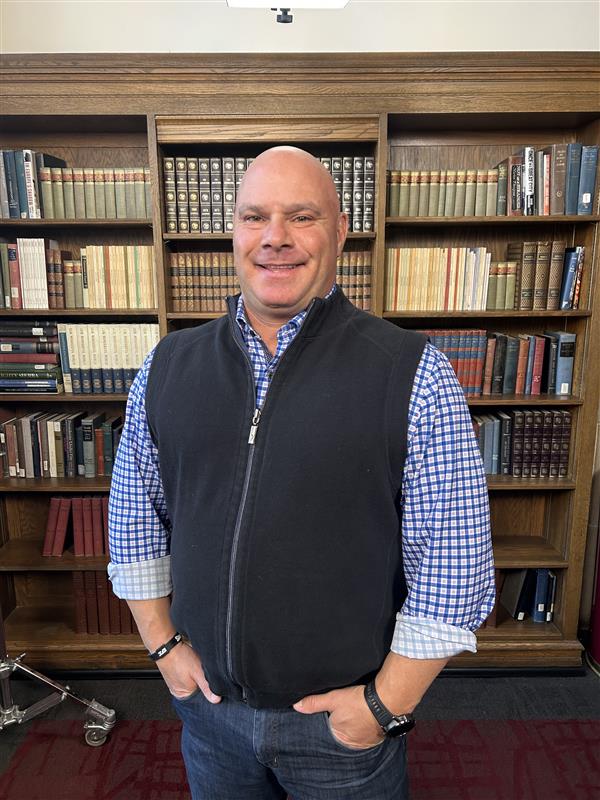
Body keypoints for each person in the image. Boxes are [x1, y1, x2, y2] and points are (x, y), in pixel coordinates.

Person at [108, 146, 495, 799]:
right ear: (233, 232)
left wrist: (380, 708)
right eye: (255, 216)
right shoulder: (167, 366)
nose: (275, 237)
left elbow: (454, 568)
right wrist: (164, 649)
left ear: (340, 230)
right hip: (208, 714)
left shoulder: (412, 374)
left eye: (301, 216)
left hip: (340, 730)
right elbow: (134, 521)